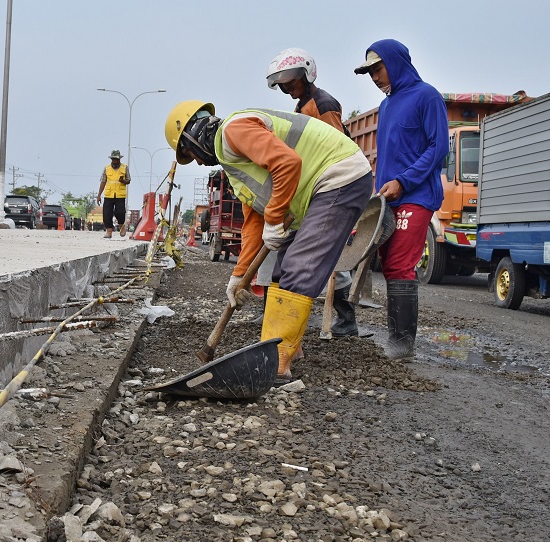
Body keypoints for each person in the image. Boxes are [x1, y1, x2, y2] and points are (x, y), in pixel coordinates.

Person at [164, 100, 373, 383]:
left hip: (339, 176)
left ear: (195, 134)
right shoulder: (233, 166)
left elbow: (288, 163)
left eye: (190, 153)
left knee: (300, 266)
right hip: (320, 189)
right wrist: (239, 276)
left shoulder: (233, 131)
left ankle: (276, 363)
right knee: (279, 272)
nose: (199, 162)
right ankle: (289, 346)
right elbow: (254, 222)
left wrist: (274, 218)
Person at [355, 40, 449, 360]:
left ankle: (402, 342)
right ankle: (397, 337)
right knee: (388, 264)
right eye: (369, 73)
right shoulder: (386, 106)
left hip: (417, 195)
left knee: (399, 264)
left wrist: (403, 181)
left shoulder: (427, 96)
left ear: (395, 63)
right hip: (388, 198)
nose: (375, 77)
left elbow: (438, 149)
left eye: (378, 69)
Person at [267, 47, 359, 338]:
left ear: (306, 76)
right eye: (281, 84)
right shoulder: (302, 106)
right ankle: (281, 314)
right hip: (311, 190)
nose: (286, 88)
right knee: (296, 254)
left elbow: (334, 148)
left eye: (290, 82)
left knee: (332, 259)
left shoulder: (322, 104)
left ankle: (345, 321)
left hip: (329, 187)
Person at [96, 149, 131, 238]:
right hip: (109, 194)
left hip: (120, 195)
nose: (115, 161)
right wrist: (99, 195)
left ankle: (121, 227)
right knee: (107, 214)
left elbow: (128, 180)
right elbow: (103, 181)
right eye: (114, 159)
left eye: (117, 159)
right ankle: (109, 231)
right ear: (111, 159)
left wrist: (123, 181)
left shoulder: (125, 167)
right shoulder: (107, 168)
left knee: (120, 212)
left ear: (119, 159)